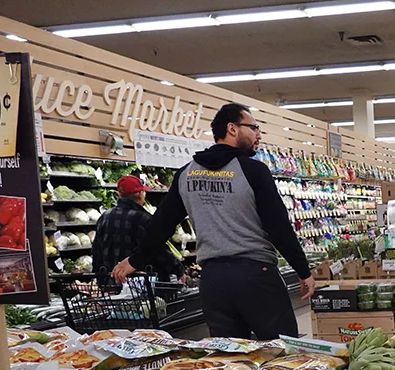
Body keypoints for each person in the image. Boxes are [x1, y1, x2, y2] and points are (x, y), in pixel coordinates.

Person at [113, 102, 316, 339]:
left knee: (228, 359)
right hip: (256, 276)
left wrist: (135, 261)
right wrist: (303, 270)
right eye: (253, 127)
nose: (257, 135)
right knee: (282, 350)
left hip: (213, 281)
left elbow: (161, 225)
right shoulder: (254, 171)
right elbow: (278, 227)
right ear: (232, 128)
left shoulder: (187, 173)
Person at [94, 175, 180, 280]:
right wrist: (178, 270)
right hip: (141, 284)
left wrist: (99, 277)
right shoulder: (144, 218)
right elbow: (158, 249)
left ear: (119, 195)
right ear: (140, 194)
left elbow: (96, 250)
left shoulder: (104, 217)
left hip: (112, 280)